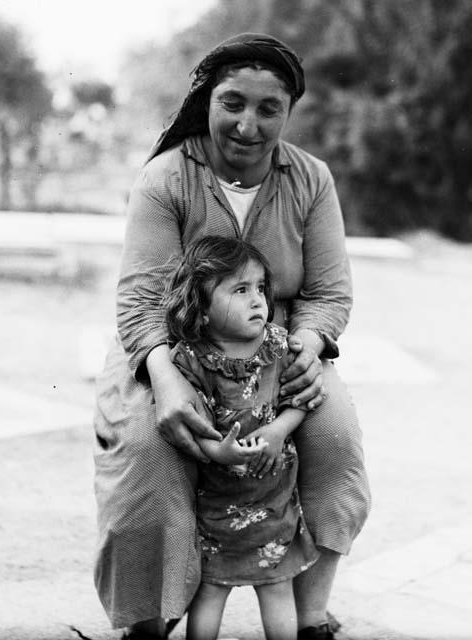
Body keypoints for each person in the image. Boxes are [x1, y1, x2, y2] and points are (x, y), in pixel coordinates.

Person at [93, 32, 371, 640]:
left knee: (336, 436)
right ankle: (149, 618)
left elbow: (327, 292)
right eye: (233, 103)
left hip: (275, 353)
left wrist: (311, 343)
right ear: (208, 102)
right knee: (147, 449)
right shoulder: (167, 178)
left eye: (268, 109)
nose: (248, 125)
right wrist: (164, 379)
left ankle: (309, 617)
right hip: (169, 349)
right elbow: (140, 300)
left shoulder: (310, 179)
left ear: (288, 113)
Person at [164, 235, 318, 640]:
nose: (257, 300)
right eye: (240, 289)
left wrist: (279, 429)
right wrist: (221, 451)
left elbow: (302, 399)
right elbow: (194, 422)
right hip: (218, 502)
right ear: (202, 305)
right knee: (211, 589)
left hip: (274, 499)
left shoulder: (280, 345)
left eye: (260, 289)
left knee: (277, 586)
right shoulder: (193, 359)